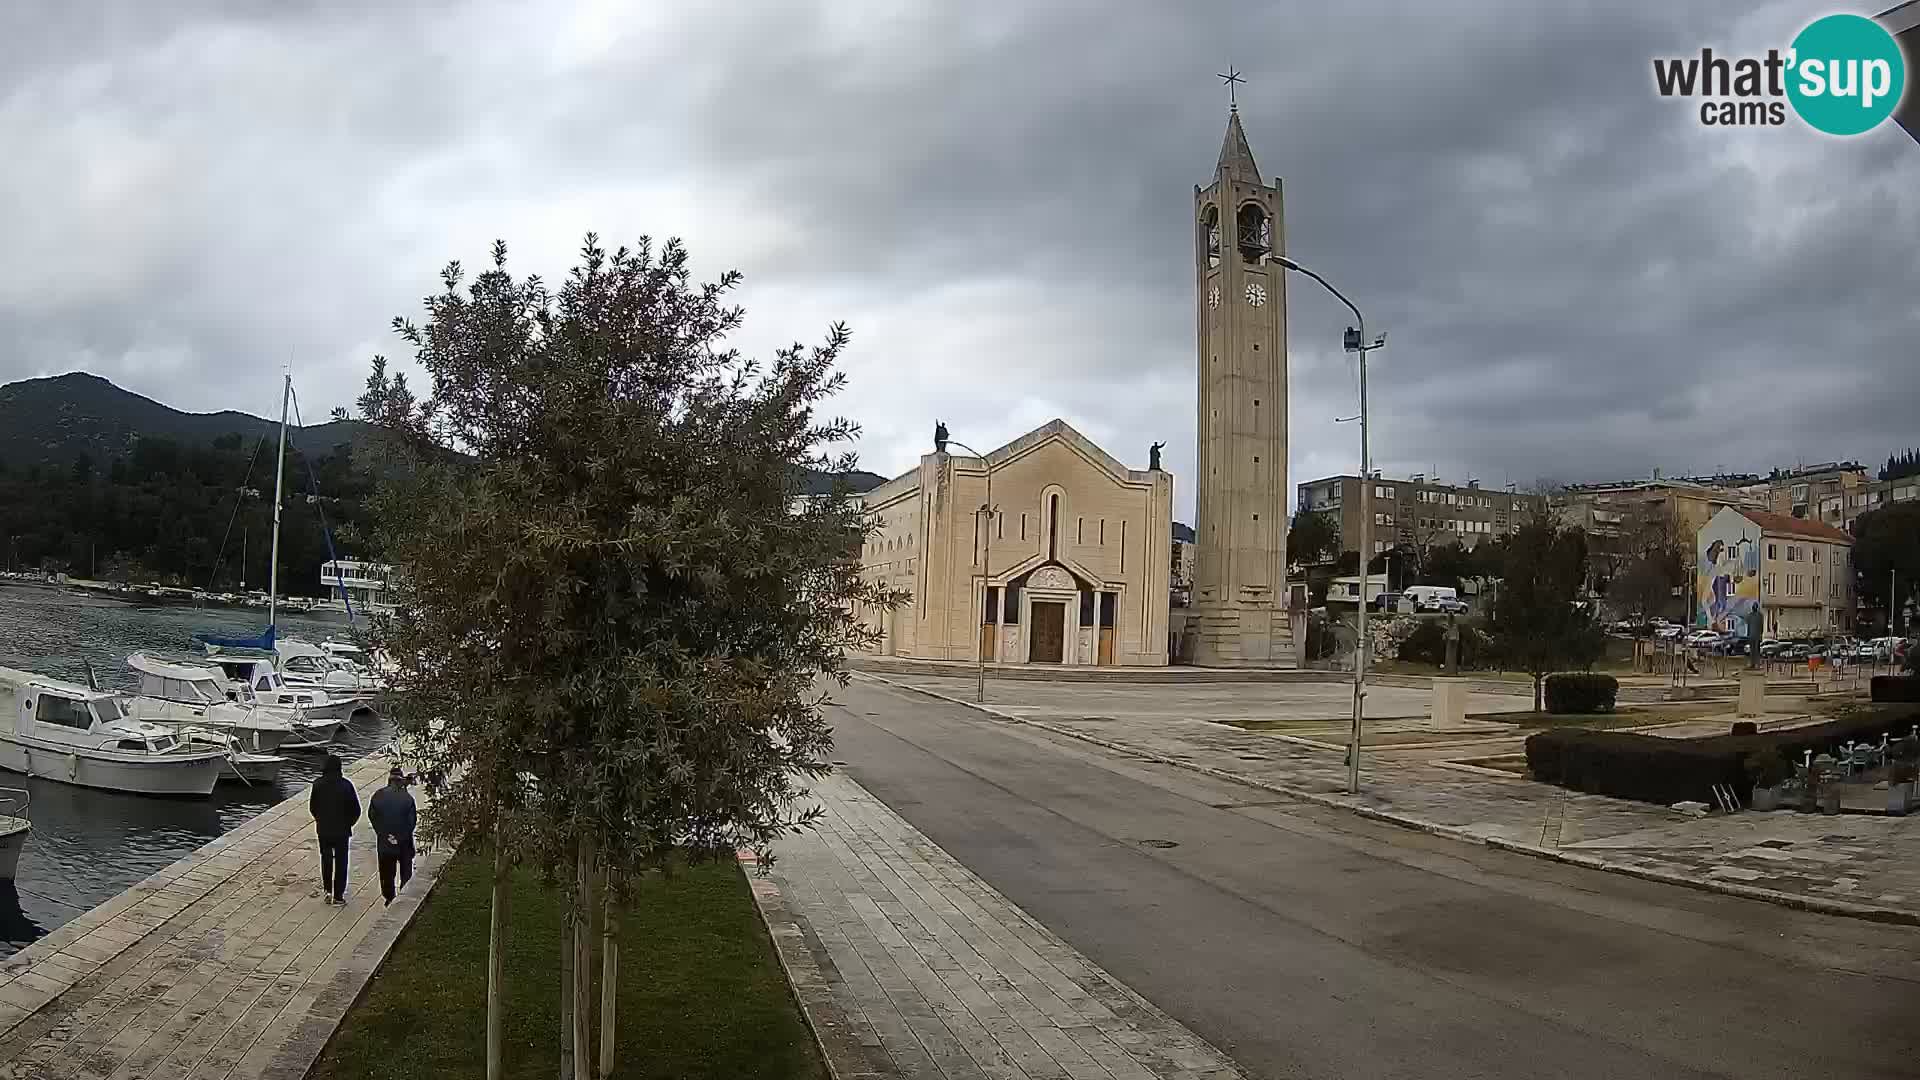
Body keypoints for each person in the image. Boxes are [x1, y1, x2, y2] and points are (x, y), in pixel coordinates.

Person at [309, 753, 361, 905]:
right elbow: (356, 809)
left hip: (323, 829)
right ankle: (338, 895)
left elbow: (313, 807)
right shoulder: (346, 785)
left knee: (326, 859)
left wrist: (320, 820)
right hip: (342, 830)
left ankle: (327, 890)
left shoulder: (317, 784)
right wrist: (348, 823)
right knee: (341, 861)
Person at [367, 765, 418, 906]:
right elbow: (412, 822)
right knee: (406, 870)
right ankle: (404, 895)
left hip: (385, 842)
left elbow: (372, 817)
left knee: (386, 873)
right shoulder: (407, 799)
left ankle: (389, 897)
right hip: (404, 844)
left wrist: (385, 834)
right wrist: (399, 837)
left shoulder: (378, 795)